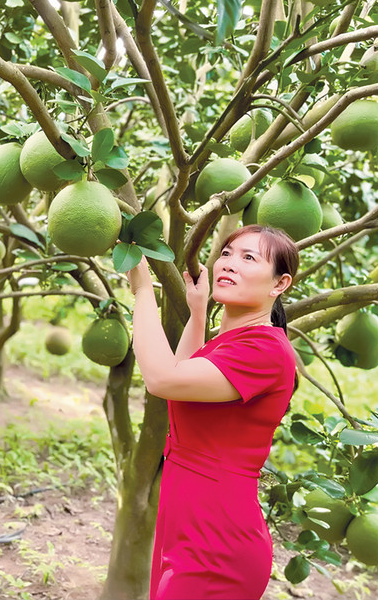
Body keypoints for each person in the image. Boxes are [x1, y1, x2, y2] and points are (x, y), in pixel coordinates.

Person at [126, 224, 299, 600]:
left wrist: (142, 290)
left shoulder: (266, 351)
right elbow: (181, 385)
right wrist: (198, 311)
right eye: (226, 253)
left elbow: (161, 379)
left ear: (279, 285)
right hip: (185, 524)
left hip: (218, 540)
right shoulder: (232, 342)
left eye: (248, 257)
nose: (229, 264)